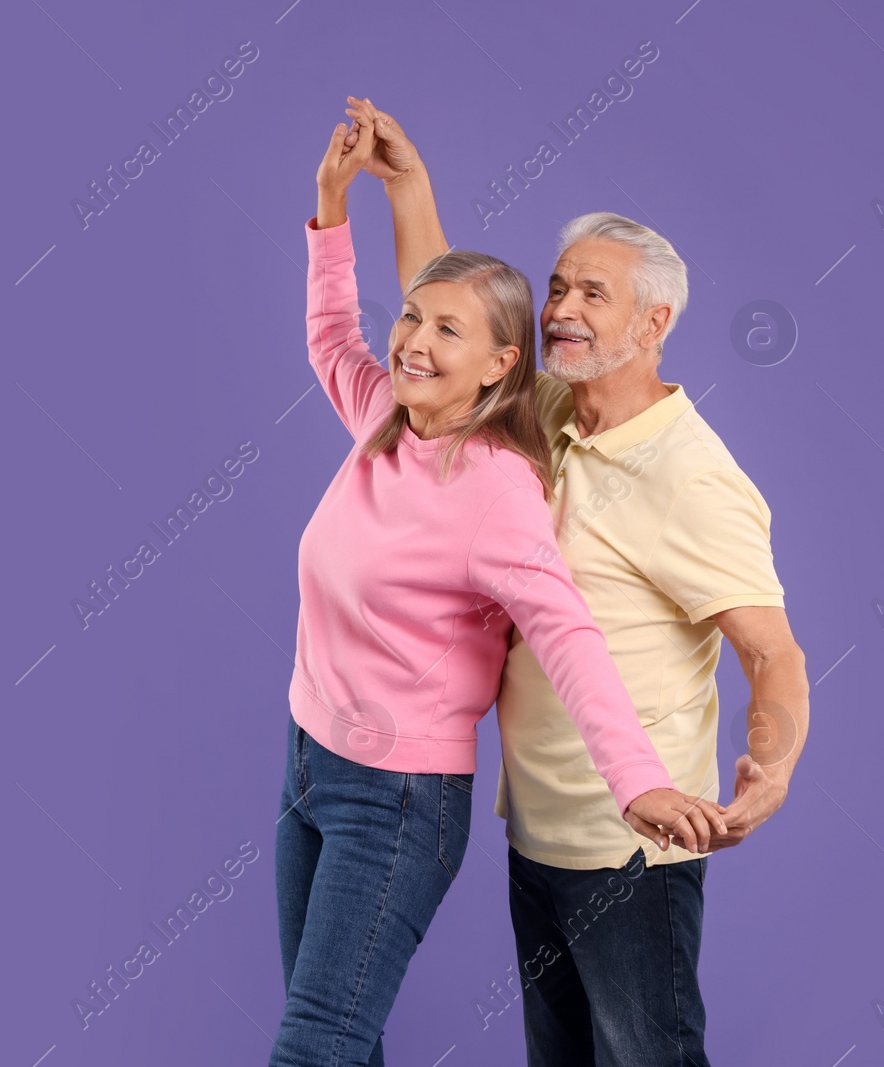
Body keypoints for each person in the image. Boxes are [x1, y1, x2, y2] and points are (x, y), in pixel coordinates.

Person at [352, 96, 811, 1065]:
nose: (558, 308)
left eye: (589, 295)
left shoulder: (693, 476)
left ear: (654, 321)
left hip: (634, 858)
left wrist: (768, 765)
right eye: (557, 287)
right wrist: (407, 183)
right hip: (539, 840)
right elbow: (451, 317)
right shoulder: (552, 406)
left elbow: (770, 651)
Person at [271, 104, 727, 1067]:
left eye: (448, 330)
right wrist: (331, 204)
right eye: (410, 318)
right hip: (307, 763)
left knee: (315, 1045)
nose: (414, 341)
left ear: (501, 366)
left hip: (396, 797)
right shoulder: (386, 419)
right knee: (335, 1037)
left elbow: (568, 635)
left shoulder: (497, 489)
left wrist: (639, 778)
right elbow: (327, 335)